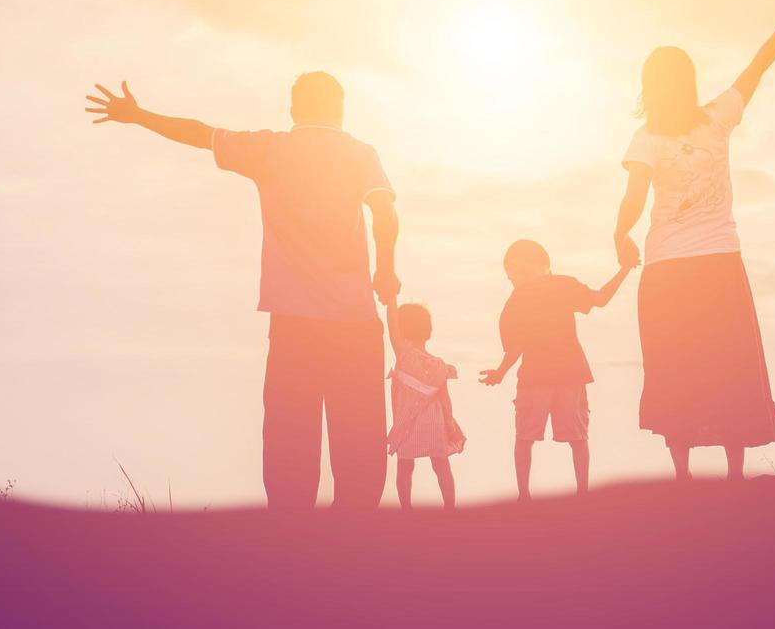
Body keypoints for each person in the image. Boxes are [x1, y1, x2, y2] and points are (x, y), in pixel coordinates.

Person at [83, 72, 400, 510]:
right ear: (340, 109)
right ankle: (357, 553)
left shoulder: (268, 149)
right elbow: (384, 212)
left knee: (290, 448)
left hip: (294, 325)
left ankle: (290, 553)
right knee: (360, 449)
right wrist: (386, 270)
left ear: (294, 110)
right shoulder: (361, 153)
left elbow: (199, 133)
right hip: (355, 321)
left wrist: (138, 116)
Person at [613, 0, 775, 481]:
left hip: (668, 267)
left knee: (676, 367)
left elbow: (634, 196)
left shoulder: (647, 138)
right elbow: (758, 66)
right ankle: (734, 476)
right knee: (730, 366)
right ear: (688, 83)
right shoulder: (717, 117)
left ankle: (684, 477)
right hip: (717, 263)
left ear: (649, 86)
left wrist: (620, 235)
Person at [479, 240, 631, 500]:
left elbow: (515, 348)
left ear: (537, 266)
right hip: (562, 375)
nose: (515, 280)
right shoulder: (549, 290)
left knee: (537, 438)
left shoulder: (533, 295)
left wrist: (501, 373)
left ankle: (532, 496)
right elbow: (600, 299)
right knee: (569, 438)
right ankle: (564, 494)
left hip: (547, 377)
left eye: (517, 273)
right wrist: (624, 270)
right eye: (511, 276)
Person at [382, 299, 465, 509]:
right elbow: (445, 400)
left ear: (402, 330)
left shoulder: (405, 353)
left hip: (409, 422)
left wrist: (391, 297)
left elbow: (391, 324)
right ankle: (450, 508)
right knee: (441, 464)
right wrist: (450, 426)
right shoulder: (439, 365)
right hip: (435, 421)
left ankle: (406, 510)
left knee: (405, 466)